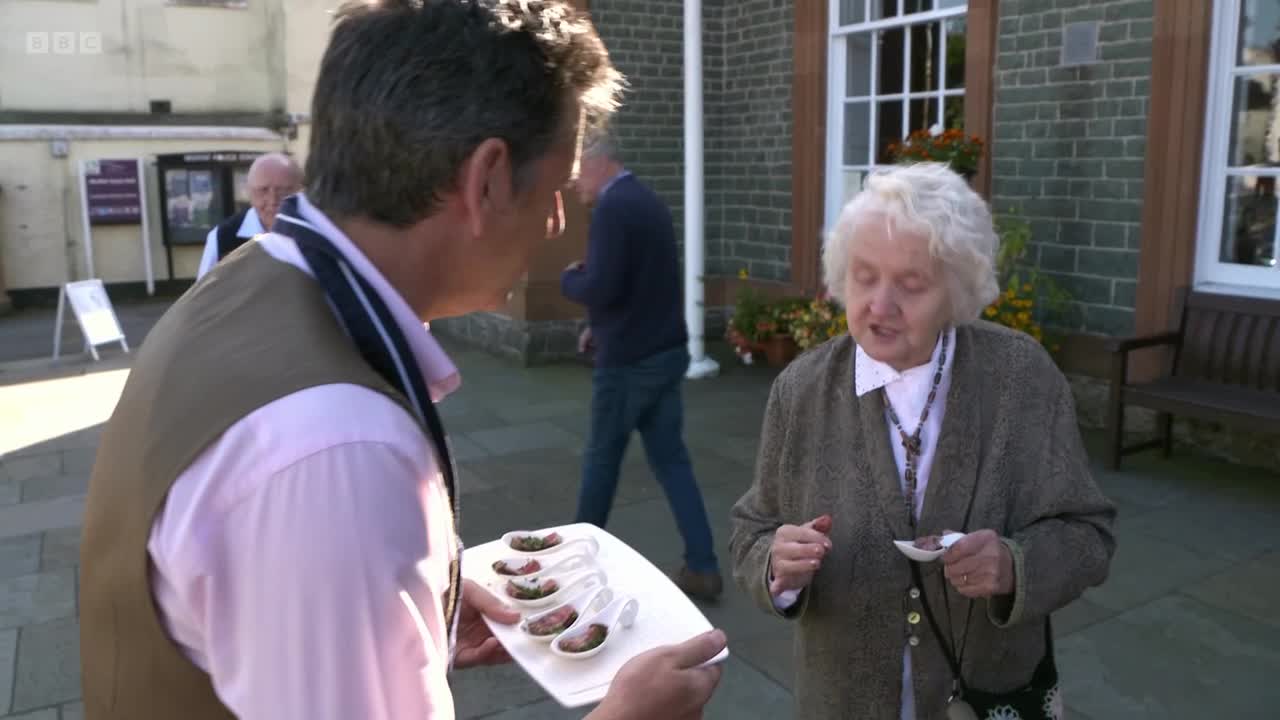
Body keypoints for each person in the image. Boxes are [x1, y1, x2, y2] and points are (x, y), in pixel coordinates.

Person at [79, 2, 726, 719]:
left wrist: (411, 609)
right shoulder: (342, 446)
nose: (553, 224)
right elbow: (319, 496)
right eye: (553, 191)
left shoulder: (247, 277)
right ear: (487, 179)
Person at [728, 162, 1116, 719]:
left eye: (911, 285)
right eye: (864, 277)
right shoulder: (802, 389)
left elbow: (1088, 534)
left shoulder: (1020, 377)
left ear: (956, 292)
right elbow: (751, 531)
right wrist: (776, 565)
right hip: (843, 700)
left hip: (988, 696)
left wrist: (1014, 567)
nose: (880, 305)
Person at [561, 132, 723, 601]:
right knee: (673, 463)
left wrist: (570, 279)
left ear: (600, 163)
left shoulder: (612, 208)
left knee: (601, 462)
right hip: (663, 354)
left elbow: (603, 287)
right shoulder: (648, 200)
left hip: (628, 366)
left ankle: (574, 570)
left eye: (578, 172)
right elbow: (642, 285)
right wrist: (599, 327)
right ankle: (703, 566)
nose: (575, 184)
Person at [195, 152, 304, 279]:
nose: (273, 200)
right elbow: (206, 290)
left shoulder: (315, 230)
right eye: (263, 190)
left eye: (283, 191)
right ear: (249, 192)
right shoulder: (222, 238)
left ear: (301, 191)